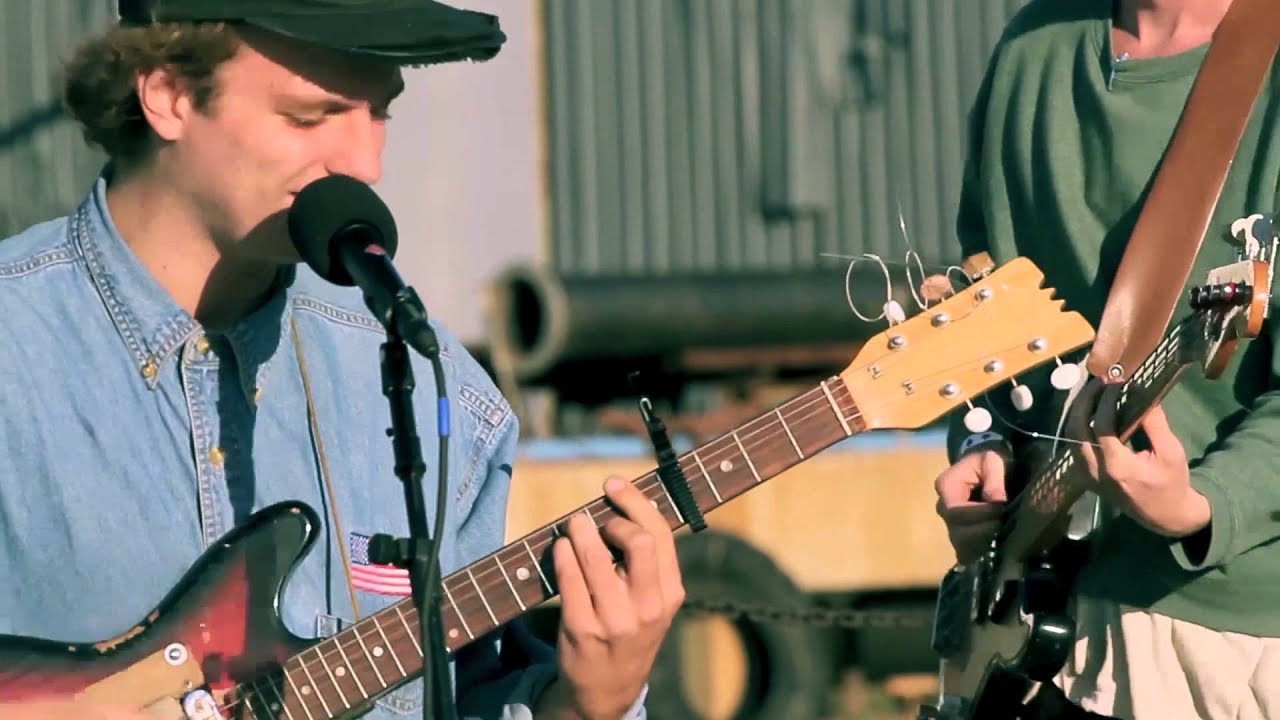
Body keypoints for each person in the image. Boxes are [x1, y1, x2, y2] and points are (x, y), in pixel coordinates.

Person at [0, 2, 683, 719]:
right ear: (168, 95)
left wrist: (588, 703)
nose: (365, 165)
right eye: (309, 116)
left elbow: (471, 696)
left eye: (381, 111)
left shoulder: (429, 384)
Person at [933, 0, 1280, 718]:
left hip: (1234, 638)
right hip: (1043, 622)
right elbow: (986, 314)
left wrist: (1201, 504)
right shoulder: (1033, 48)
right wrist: (981, 442)